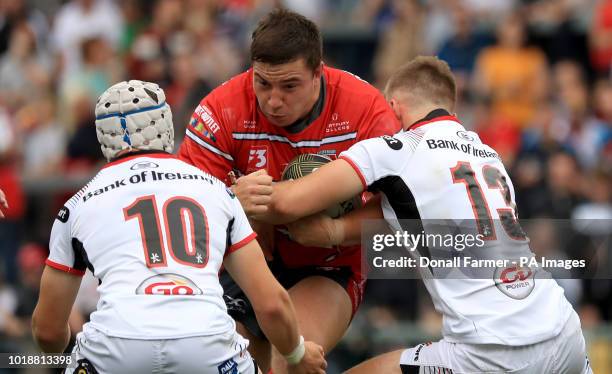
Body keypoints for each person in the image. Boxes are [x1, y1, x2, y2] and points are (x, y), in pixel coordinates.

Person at [250, 56, 592, 373]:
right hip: (563, 330)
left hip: (491, 350)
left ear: (394, 107)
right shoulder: (488, 155)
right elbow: (410, 211)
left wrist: (235, 191)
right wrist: (334, 232)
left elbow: (288, 202)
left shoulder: (398, 149)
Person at [31, 80, 327, 374]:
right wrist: (297, 353)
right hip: (207, 344)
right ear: (166, 123)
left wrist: (66, 356)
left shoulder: (77, 206)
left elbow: (47, 331)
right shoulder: (217, 190)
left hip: (115, 347)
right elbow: (272, 303)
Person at [177, 8, 401, 373]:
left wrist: (334, 231)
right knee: (223, 356)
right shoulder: (219, 110)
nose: (274, 100)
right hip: (244, 263)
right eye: (263, 83)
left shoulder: (366, 110)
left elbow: (398, 212)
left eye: (289, 85)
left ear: (318, 73)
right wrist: (230, 203)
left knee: (291, 358)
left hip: (329, 267)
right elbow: (183, 213)